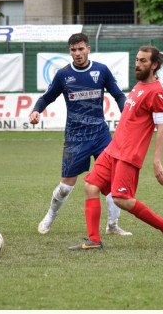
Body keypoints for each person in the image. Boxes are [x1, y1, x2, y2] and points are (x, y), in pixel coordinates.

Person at [69, 45, 163, 250]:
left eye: (143, 61)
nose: (137, 64)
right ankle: (93, 241)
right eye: (137, 60)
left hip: (129, 155)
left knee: (122, 199)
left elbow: (162, 127)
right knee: (90, 187)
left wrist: (157, 160)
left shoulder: (157, 92)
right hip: (113, 150)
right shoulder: (139, 86)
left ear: (154, 65)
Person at [31, 33, 131, 236]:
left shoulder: (101, 70)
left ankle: (112, 225)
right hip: (75, 138)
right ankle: (50, 216)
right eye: (73, 50)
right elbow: (47, 97)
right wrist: (36, 110)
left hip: (100, 135)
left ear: (88, 49)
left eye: (81, 49)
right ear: (70, 51)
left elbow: (118, 95)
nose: (77, 53)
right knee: (66, 186)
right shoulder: (63, 74)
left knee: (113, 181)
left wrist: (127, 114)